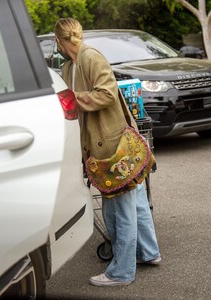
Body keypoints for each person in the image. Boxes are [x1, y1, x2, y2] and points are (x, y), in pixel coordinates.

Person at [54, 18, 161, 287]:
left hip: (112, 144)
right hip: (103, 143)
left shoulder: (90, 57)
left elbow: (108, 93)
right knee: (134, 199)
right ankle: (149, 253)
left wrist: (74, 98)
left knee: (118, 208)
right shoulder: (69, 66)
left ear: (59, 40)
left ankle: (121, 272)